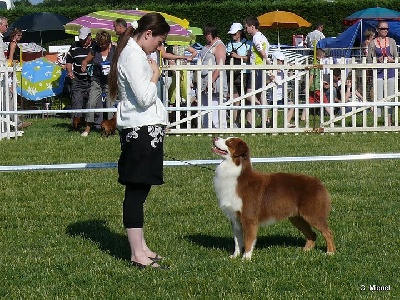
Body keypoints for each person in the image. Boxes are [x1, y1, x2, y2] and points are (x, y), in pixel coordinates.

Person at [108, 12, 170, 269]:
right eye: (159, 41)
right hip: (140, 130)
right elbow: (144, 98)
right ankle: (136, 254)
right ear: (148, 34)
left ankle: (141, 246)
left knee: (141, 190)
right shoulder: (133, 56)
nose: (160, 46)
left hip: (145, 129)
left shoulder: (135, 53)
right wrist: (155, 73)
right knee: (135, 191)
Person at [81, 30, 115, 137]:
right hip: (97, 80)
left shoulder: (115, 50)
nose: (101, 46)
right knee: (91, 102)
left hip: (110, 81)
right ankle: (87, 128)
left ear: (108, 42)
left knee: (110, 105)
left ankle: (110, 128)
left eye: (103, 44)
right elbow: (85, 61)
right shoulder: (95, 49)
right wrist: (84, 65)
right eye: (99, 44)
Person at [367, 21, 398, 126]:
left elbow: (397, 58)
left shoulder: (392, 41)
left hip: (391, 72)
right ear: (377, 29)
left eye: (387, 29)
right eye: (383, 28)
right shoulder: (373, 42)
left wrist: (392, 59)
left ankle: (389, 121)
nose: (385, 30)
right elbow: (369, 60)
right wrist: (377, 60)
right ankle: (377, 120)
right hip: (378, 73)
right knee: (378, 97)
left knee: (390, 97)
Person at [199, 23, 227, 128]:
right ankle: (207, 127)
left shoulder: (219, 45)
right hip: (204, 80)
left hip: (215, 81)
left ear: (209, 34)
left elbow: (220, 65)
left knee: (216, 107)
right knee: (206, 107)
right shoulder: (208, 45)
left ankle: (219, 128)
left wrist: (211, 80)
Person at [244, 16, 270, 127]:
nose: (245, 30)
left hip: (257, 68)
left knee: (249, 95)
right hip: (261, 68)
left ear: (252, 27)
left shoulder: (255, 37)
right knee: (260, 96)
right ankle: (266, 120)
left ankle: (265, 117)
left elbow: (261, 50)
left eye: (246, 27)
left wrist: (268, 62)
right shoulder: (262, 36)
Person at [65, 27, 93, 130]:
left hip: (91, 80)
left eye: (84, 40)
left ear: (90, 37)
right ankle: (76, 124)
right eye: (81, 40)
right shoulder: (73, 47)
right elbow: (68, 60)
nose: (82, 42)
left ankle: (92, 124)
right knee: (76, 101)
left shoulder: (95, 47)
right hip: (77, 79)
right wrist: (70, 72)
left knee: (92, 102)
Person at [225, 22, 251, 126]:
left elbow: (250, 58)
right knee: (235, 98)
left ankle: (248, 122)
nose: (233, 36)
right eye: (231, 34)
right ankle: (236, 122)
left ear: (239, 33)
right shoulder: (228, 44)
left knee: (246, 98)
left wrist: (237, 57)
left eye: (234, 34)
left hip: (244, 73)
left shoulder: (248, 43)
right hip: (232, 73)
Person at [301, 48, 333, 120]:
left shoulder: (316, 62)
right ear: (319, 57)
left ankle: (303, 117)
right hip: (316, 87)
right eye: (322, 57)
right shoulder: (315, 63)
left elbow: (317, 76)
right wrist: (307, 87)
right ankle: (332, 116)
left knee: (308, 102)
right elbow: (312, 76)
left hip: (315, 85)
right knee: (325, 101)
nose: (323, 59)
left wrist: (322, 82)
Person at [268, 51, 295, 128]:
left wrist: (290, 70)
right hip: (274, 96)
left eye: (282, 61)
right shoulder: (270, 70)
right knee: (275, 113)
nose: (282, 62)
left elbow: (289, 77)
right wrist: (271, 77)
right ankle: (271, 124)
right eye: (280, 61)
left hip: (283, 96)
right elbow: (267, 80)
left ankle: (286, 123)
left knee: (291, 106)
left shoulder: (283, 70)